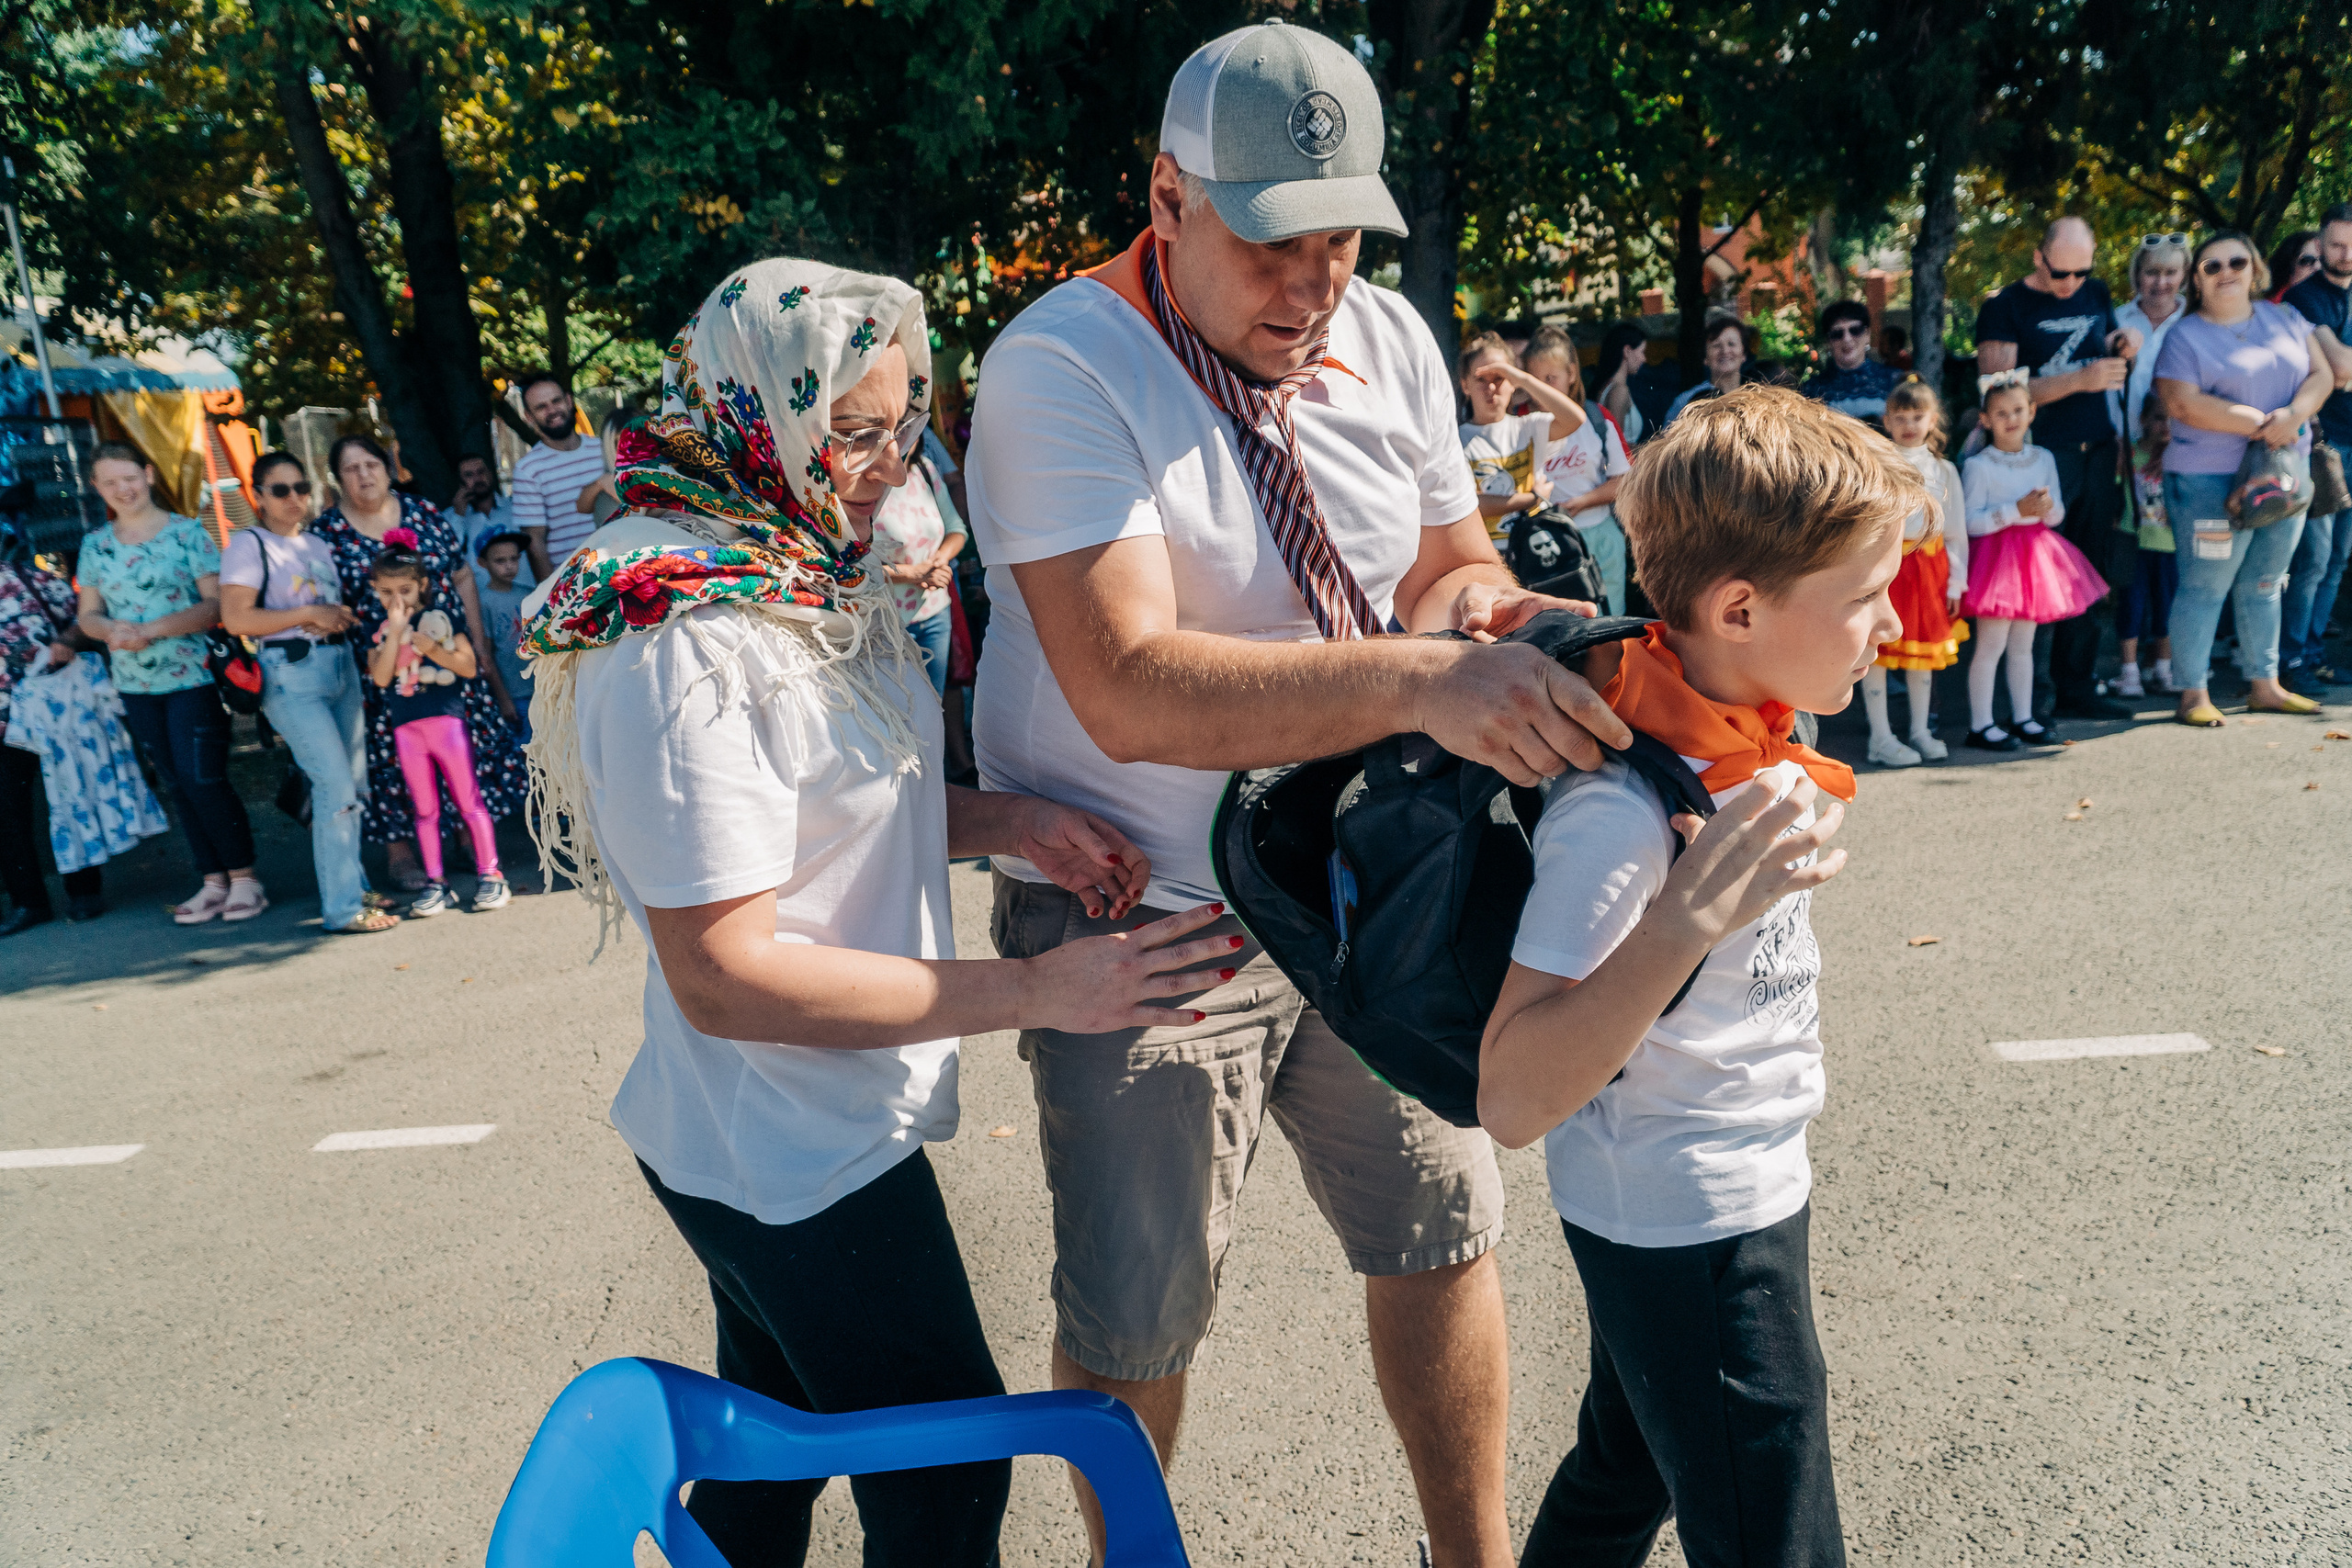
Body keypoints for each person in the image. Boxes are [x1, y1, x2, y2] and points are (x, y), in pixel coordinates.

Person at [965, 23, 1630, 1565]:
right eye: (1271, 242)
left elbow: (1446, 565)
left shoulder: (1385, 333)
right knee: (1136, 1318)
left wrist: (1500, 621)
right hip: (1145, 908)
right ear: (1168, 197)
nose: (1312, 283)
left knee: (1444, 1234)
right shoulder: (1061, 364)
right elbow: (1127, 682)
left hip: (1362, 870)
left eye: (1341, 238)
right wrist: (1423, 680)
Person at [516, 256, 1234, 1568]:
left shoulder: (785, 556)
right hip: (786, 1149)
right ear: (752, 408)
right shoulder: (689, 633)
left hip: (777, 1128)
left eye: (902, 426)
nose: (888, 465)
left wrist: (1011, 823)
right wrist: (1037, 990)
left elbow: (824, 804)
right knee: (944, 1481)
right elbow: (724, 973)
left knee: (767, 1460)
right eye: (850, 430)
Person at [1479, 385, 1891, 1567]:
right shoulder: (1620, 812)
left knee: (1625, 1469)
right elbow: (1513, 1093)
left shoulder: (1745, 732)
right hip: (1691, 1214)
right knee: (1773, 1531)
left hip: (1717, 1187)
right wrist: (1691, 915)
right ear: (1739, 609)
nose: (1889, 618)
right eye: (1862, 595)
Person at [311, 434, 529, 889]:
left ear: (388, 468)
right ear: (338, 479)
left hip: (445, 653)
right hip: (381, 668)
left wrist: (477, 641)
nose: (364, 475)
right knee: (390, 761)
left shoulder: (423, 512)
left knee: (458, 748)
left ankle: (469, 842)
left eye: (371, 464)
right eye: (351, 468)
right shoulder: (325, 533)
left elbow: (461, 574)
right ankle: (401, 854)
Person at [74, 442, 266, 922]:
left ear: (148, 474)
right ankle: (212, 882)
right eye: (110, 482)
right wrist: (111, 630)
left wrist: (152, 630)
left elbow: (214, 606)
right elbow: (88, 615)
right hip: (135, 687)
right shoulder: (95, 545)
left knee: (203, 778)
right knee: (178, 784)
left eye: (129, 477)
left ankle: (245, 878)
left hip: (192, 679)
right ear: (96, 488)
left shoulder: (188, 533)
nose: (123, 489)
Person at [2154, 230, 2335, 725]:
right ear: (2196, 280)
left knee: (2266, 582)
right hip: (2207, 482)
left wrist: (2293, 415)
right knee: (2205, 585)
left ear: (2255, 268)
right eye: (2211, 266)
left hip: (2283, 476)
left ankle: (2265, 685)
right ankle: (2193, 694)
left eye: (2237, 262)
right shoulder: (2184, 336)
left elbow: (2322, 374)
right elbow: (2181, 402)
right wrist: (2264, 424)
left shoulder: (2286, 318)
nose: (2227, 272)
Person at [218, 452, 398, 934]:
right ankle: (343, 909)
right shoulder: (248, 544)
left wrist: (335, 616)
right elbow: (236, 618)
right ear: (258, 496)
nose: (294, 498)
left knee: (352, 786)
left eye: (301, 488)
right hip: (291, 672)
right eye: (280, 490)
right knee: (334, 786)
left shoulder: (316, 542)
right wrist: (308, 614)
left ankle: (355, 887)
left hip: (340, 665)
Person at [1972, 216, 2140, 724]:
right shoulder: (2005, 306)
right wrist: (2080, 380)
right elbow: (1994, 391)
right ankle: (2034, 701)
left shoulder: (2096, 292)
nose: (2071, 284)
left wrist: (2122, 343)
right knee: (2037, 576)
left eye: (2081, 273)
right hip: (2041, 453)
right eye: (2060, 273)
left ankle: (2077, 686)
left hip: (2097, 447)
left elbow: (2104, 347)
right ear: (2038, 258)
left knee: (2086, 570)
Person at [1960, 372, 2109, 750]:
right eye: (2000, 413)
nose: (2010, 419)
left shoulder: (2043, 458)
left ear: (2032, 412)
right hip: (1996, 563)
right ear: (1985, 420)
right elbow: (1970, 521)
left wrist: (2045, 508)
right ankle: (1981, 724)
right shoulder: (1979, 466)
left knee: (2024, 646)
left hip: (2035, 559)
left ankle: (2024, 717)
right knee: (1990, 645)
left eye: (2017, 410)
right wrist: (2016, 510)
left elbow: (2056, 515)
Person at [363, 532, 507, 916]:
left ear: (422, 585)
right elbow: (381, 677)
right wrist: (395, 633)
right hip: (407, 730)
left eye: (405, 590)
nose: (397, 599)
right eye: (387, 591)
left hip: (447, 723)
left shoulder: (442, 618)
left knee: (468, 801)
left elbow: (469, 667)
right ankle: (435, 882)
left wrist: (433, 650)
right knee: (424, 809)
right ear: (375, 589)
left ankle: (491, 874)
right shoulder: (378, 627)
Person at [0, 559, 145, 931]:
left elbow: (87, 618)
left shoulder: (29, 577)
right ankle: (28, 902)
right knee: (7, 813)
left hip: (54, 708)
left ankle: (84, 892)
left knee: (70, 795)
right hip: (2, 723)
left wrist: (66, 641)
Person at [1863, 376, 1969, 765]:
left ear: (1933, 420)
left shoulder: (1944, 470)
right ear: (1887, 421)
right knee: (1876, 653)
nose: (1909, 425)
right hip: (1887, 569)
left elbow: (1955, 532)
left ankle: (1920, 731)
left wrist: (1957, 583)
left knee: (1921, 656)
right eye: (1900, 417)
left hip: (1928, 572)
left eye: (1917, 416)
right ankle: (1880, 737)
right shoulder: (1876, 465)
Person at [2113, 234, 2192, 698]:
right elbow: (2110, 387)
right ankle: (2127, 665)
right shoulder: (2120, 320)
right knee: (2131, 572)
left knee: (2175, 579)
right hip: (2128, 451)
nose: (2160, 282)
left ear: (2184, 275)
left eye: (2170, 272)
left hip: (2186, 449)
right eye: (2151, 272)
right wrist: (2117, 440)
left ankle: (2166, 662)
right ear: (2137, 275)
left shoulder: (2195, 319)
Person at [2278, 205, 2352, 694]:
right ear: (2321, 244)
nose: (2345, 255)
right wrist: (2342, 368)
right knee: (2313, 559)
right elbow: (2340, 369)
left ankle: (2315, 654)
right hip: (2323, 445)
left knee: (2339, 558)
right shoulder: (2303, 298)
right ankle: (2291, 659)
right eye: (2336, 244)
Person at [1521, 326, 1634, 614]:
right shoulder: (1519, 424)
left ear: (1571, 373)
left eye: (1551, 378)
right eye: (1535, 380)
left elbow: (1624, 480)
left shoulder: (1597, 417)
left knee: (1609, 620)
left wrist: (1582, 502)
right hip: (1548, 544)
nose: (1544, 389)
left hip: (1601, 536)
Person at [1459, 330, 1589, 545]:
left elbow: (1575, 418)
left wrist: (1524, 379)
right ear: (1465, 385)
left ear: (1512, 382)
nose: (1491, 388)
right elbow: (1470, 503)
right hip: (1488, 552)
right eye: (1481, 379)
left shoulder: (1528, 426)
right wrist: (1533, 498)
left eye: (1500, 378)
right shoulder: (1456, 441)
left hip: (1535, 548)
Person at [867, 448, 968, 696]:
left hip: (936, 615)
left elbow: (956, 529)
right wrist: (913, 573)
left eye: (907, 430)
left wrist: (939, 560)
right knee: (898, 708)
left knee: (934, 703)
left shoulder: (923, 467)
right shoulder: (864, 478)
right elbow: (850, 564)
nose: (900, 439)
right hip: (885, 622)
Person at [509, 372, 607, 583]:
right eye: (541, 407)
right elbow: (535, 541)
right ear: (528, 416)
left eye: (556, 401)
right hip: (574, 584)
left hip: (622, 568)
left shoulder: (603, 450)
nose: (552, 410)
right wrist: (553, 594)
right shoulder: (528, 470)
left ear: (569, 401)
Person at [1800, 299, 1904, 424]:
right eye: (1837, 334)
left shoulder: (1895, 380)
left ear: (1867, 335)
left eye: (1855, 330)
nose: (1847, 339)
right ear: (1828, 341)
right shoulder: (1811, 389)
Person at [473, 532, 534, 738]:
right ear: (482, 563)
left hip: (540, 688)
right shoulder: (483, 602)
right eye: (500, 561)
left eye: (514, 559)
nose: (509, 566)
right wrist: (503, 699)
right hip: (514, 694)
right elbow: (487, 654)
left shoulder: (529, 594)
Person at [448, 453, 530, 595]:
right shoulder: (451, 517)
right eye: (469, 475)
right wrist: (458, 516)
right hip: (481, 600)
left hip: (526, 592)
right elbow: (452, 557)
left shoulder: (515, 507)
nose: (477, 479)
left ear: (490, 474)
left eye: (481, 472)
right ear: (460, 483)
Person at [1661, 310, 1755, 427]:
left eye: (1731, 344)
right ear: (1705, 358)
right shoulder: (1686, 402)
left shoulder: (1755, 398)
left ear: (1744, 354)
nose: (1725, 351)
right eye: (1716, 346)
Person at [1595, 321, 1674, 445]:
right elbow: (1617, 444)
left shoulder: (1607, 387)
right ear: (1627, 351)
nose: (1644, 359)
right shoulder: (1620, 390)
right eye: (1642, 352)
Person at [2267, 230, 2322, 302]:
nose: (2318, 267)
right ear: (2288, 266)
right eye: (2307, 260)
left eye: (2323, 261)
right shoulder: (2268, 306)